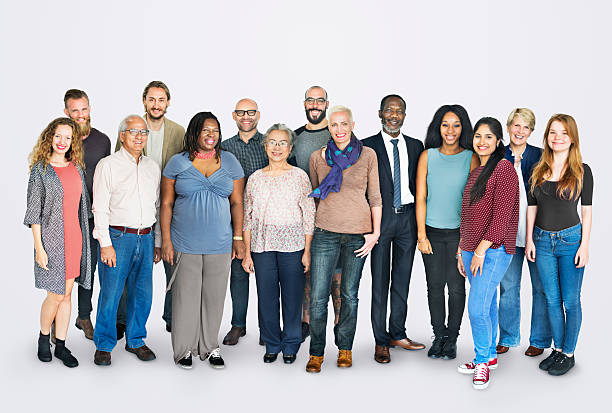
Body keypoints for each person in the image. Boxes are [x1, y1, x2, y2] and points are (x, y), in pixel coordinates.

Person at [161, 112, 245, 369]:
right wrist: (165, 240)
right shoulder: (177, 162)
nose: (211, 135)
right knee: (185, 296)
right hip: (184, 242)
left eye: (215, 131)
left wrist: (238, 237)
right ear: (195, 133)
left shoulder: (229, 161)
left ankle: (209, 347)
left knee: (214, 296)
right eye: (206, 130)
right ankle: (184, 348)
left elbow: (237, 201)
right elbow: (166, 203)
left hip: (219, 242)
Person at [306, 105, 382, 373]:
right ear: (329, 127)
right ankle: (316, 352)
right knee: (317, 297)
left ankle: (345, 348)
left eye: (343, 124)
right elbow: (317, 196)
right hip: (325, 232)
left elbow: (375, 197)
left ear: (352, 125)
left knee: (349, 295)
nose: (339, 130)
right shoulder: (318, 157)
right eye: (334, 125)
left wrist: (375, 234)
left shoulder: (368, 155)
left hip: (357, 236)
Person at [241, 124, 315, 364]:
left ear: (290, 148)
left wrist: (307, 251)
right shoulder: (255, 179)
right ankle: (272, 343)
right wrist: (248, 254)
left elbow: (309, 216)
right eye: (272, 142)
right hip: (261, 248)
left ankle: (291, 344)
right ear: (265, 146)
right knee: (267, 297)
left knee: (293, 298)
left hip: (293, 246)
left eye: (282, 143)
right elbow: (247, 217)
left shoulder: (299, 177)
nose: (277, 147)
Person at [115, 81, 185, 334]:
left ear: (168, 102)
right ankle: (122, 319)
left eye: (161, 100)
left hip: (169, 209)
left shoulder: (178, 132)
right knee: (126, 271)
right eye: (152, 99)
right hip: (135, 211)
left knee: (173, 265)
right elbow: (118, 166)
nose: (156, 104)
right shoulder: (131, 127)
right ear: (144, 101)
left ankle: (172, 316)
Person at [526, 114, 592, 376]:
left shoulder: (582, 171)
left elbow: (586, 212)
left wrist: (584, 245)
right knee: (551, 300)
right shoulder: (537, 170)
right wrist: (530, 239)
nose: (557, 138)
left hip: (570, 241)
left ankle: (569, 352)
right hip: (541, 241)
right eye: (553, 132)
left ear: (572, 138)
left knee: (571, 300)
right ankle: (557, 349)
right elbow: (532, 208)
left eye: (563, 133)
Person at [92, 115, 161, 366]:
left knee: (142, 293)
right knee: (110, 293)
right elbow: (99, 207)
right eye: (133, 132)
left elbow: (155, 205)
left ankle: (136, 340)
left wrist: (157, 241)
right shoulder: (107, 165)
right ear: (122, 136)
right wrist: (105, 243)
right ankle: (104, 343)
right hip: (118, 238)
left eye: (143, 132)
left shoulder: (152, 167)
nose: (139, 136)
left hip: (146, 237)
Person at [456, 117, 519, 390]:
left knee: (477, 307)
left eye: (488, 137)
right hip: (471, 250)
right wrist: (462, 249)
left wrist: (481, 249)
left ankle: (481, 361)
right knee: (487, 303)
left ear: (497, 141)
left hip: (493, 250)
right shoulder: (476, 171)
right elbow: (468, 215)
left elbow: (502, 217)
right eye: (478, 136)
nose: (482, 142)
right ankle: (490, 356)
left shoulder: (504, 169)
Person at [362, 95, 425, 364]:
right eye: (389, 110)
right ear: (380, 113)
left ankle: (398, 332)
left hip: (407, 221)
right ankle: (380, 340)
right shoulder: (367, 146)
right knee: (379, 282)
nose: (394, 115)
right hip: (380, 222)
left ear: (405, 115)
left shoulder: (416, 146)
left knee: (402, 279)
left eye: (399, 111)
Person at [25, 117, 92, 368]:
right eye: (58, 136)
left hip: (75, 238)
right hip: (51, 240)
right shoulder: (40, 170)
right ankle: (44, 338)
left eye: (68, 137)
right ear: (49, 138)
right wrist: (39, 248)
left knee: (67, 295)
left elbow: (81, 208)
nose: (62, 142)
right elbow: (34, 213)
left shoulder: (77, 168)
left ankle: (61, 345)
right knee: (54, 295)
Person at [415, 104, 478, 360]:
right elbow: (421, 197)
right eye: (445, 124)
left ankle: (452, 338)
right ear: (437, 127)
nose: (450, 130)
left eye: (456, 125)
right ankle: (438, 335)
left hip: (458, 235)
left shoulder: (471, 157)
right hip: (430, 231)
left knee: (456, 288)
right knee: (434, 287)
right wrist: (421, 235)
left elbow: (474, 202)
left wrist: (466, 240)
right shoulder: (427, 156)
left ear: (463, 128)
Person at [496, 108, 551, 357]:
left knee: (540, 288)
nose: (520, 131)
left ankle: (538, 339)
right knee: (508, 288)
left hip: (536, 234)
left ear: (531, 131)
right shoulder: (498, 154)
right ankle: (507, 337)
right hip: (506, 234)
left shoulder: (540, 157)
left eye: (525, 127)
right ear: (508, 127)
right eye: (516, 126)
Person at [291, 86, 342, 341]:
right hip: (305, 217)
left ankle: (339, 323)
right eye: (310, 100)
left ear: (327, 104)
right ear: (304, 104)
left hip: (336, 215)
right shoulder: (295, 137)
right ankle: (306, 322)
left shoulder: (338, 135)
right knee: (307, 269)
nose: (314, 105)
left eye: (319, 101)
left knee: (338, 273)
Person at [62, 89, 111, 341]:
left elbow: (107, 179)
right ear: (66, 112)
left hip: (92, 216)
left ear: (90, 108)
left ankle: (84, 316)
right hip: (65, 216)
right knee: (65, 271)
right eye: (74, 110)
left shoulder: (102, 140)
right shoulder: (61, 139)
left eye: (84, 109)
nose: (80, 115)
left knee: (88, 269)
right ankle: (54, 327)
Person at [220, 98, 267, 346]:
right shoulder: (224, 148)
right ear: (234, 115)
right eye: (241, 112)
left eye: (250, 112)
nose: (246, 116)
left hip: (266, 220)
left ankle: (266, 327)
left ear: (258, 114)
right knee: (238, 275)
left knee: (266, 275)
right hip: (235, 220)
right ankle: (238, 324)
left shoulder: (270, 143)